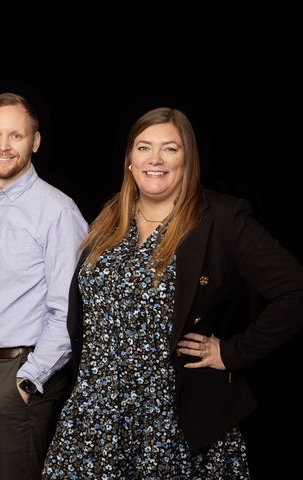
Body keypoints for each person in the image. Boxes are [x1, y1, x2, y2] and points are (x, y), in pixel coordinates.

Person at [42, 107, 303, 479]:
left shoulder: (221, 220)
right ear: (130, 160)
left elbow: (294, 290)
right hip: (94, 413)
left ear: (188, 160)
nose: (156, 159)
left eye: (170, 149)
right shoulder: (110, 218)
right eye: (144, 147)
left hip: (170, 420)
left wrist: (232, 352)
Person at [0, 92, 88, 480]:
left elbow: (69, 309)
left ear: (35, 141)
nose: (3, 146)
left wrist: (29, 380)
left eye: (15, 136)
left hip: (21, 372)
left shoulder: (58, 211)